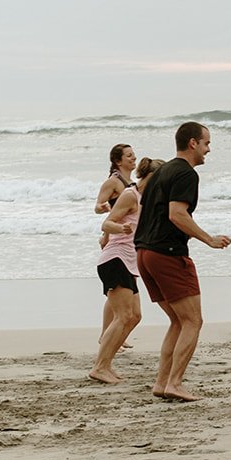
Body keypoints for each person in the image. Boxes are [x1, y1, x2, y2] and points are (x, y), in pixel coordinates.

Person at [135, 121, 231, 402]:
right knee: (193, 321)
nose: (208, 150)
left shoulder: (162, 171)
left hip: (145, 253)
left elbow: (146, 211)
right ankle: (175, 383)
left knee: (178, 322)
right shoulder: (186, 174)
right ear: (193, 143)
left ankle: (162, 382)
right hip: (166, 254)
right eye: (206, 143)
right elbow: (177, 214)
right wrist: (209, 239)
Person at [89, 157, 160, 383]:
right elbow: (106, 223)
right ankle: (100, 367)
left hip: (129, 261)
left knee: (134, 316)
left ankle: (105, 362)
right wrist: (121, 227)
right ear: (152, 177)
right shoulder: (131, 195)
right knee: (123, 316)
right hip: (115, 259)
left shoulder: (148, 199)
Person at [94, 144, 135, 340]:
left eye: (133, 154)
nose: (134, 158)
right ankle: (108, 333)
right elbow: (97, 207)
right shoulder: (113, 182)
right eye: (129, 155)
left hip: (129, 240)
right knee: (117, 291)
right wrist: (103, 208)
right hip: (118, 237)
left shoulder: (130, 182)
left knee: (118, 294)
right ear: (118, 161)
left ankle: (112, 332)